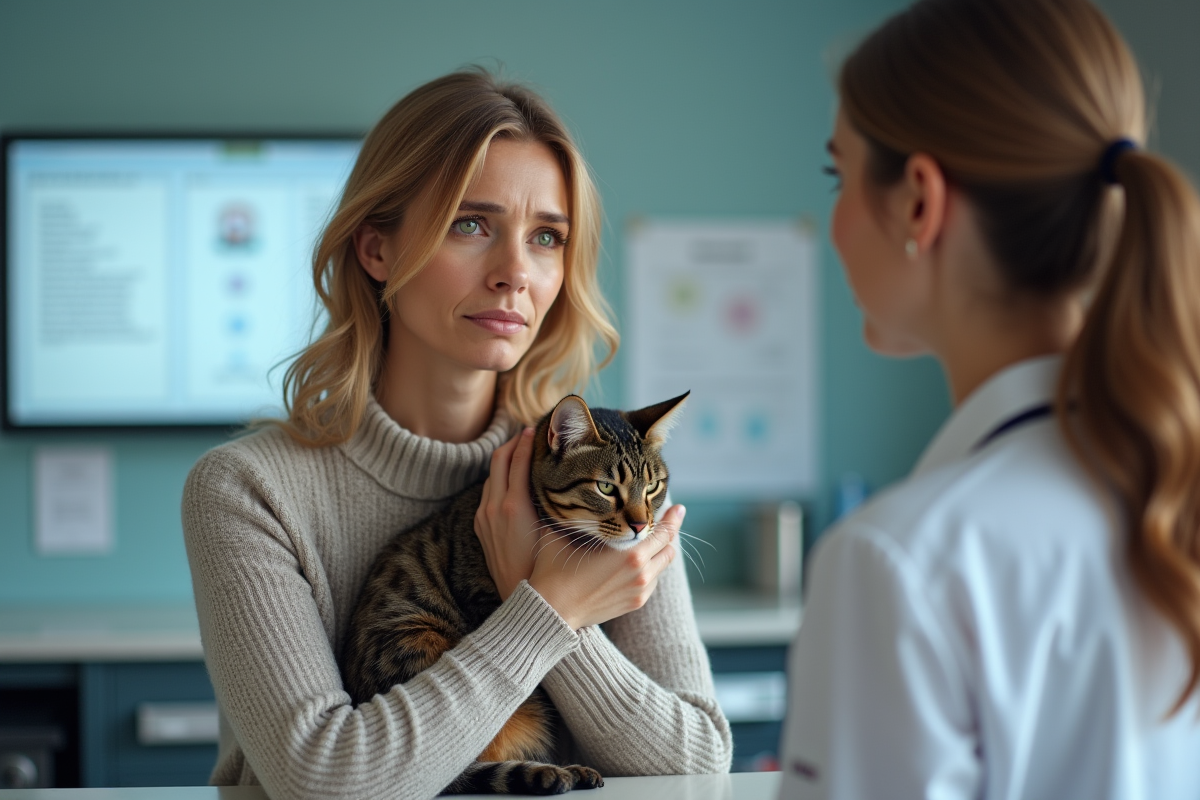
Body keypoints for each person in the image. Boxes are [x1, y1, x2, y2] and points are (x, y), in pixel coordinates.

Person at [182, 70, 732, 800]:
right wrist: (549, 608)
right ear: (377, 251)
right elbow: (323, 779)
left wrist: (536, 599)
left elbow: (696, 761)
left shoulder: (603, 469)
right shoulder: (249, 491)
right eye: (470, 225)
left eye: (546, 238)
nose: (516, 274)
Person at [779, 0, 1200, 797]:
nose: (834, 219)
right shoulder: (1171, 504)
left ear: (918, 202)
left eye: (840, 175)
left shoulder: (900, 563)